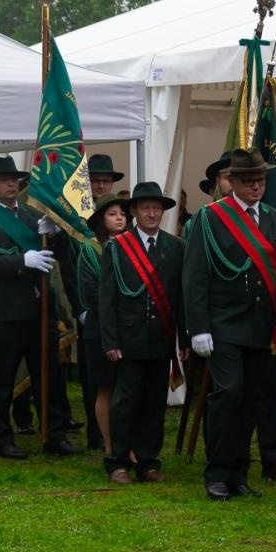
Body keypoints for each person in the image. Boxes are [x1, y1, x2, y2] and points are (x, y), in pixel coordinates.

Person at [182, 148, 276, 501]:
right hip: (223, 325)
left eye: (261, 180)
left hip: (262, 327)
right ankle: (217, 472)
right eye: (249, 181)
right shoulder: (210, 218)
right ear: (232, 182)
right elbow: (195, 276)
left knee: (251, 399)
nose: (256, 187)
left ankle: (239, 475)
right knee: (228, 394)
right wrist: (198, 327)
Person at [0, 156, 80, 459]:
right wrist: (22, 261)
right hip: (6, 310)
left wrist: (55, 234)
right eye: (3, 179)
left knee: (48, 374)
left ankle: (54, 434)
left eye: (14, 179)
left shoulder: (33, 215)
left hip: (40, 306)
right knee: (4, 378)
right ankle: (2, 438)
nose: (11, 184)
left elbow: (60, 255)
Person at [100, 182, 186, 486]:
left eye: (157, 208)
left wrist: (185, 339)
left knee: (154, 402)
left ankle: (149, 461)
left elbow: (181, 298)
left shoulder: (176, 247)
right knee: (124, 402)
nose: (152, 213)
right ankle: (118, 461)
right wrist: (110, 340)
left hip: (161, 337)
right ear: (134, 212)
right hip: (129, 339)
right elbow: (107, 299)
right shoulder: (117, 247)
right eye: (146, 208)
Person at [76, 193, 130, 455]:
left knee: (128, 389)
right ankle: (109, 446)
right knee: (106, 388)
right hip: (101, 328)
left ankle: (128, 443)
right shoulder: (89, 249)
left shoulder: (132, 245)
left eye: (122, 213)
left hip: (129, 328)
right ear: (100, 219)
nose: (119, 218)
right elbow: (89, 292)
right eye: (112, 214)